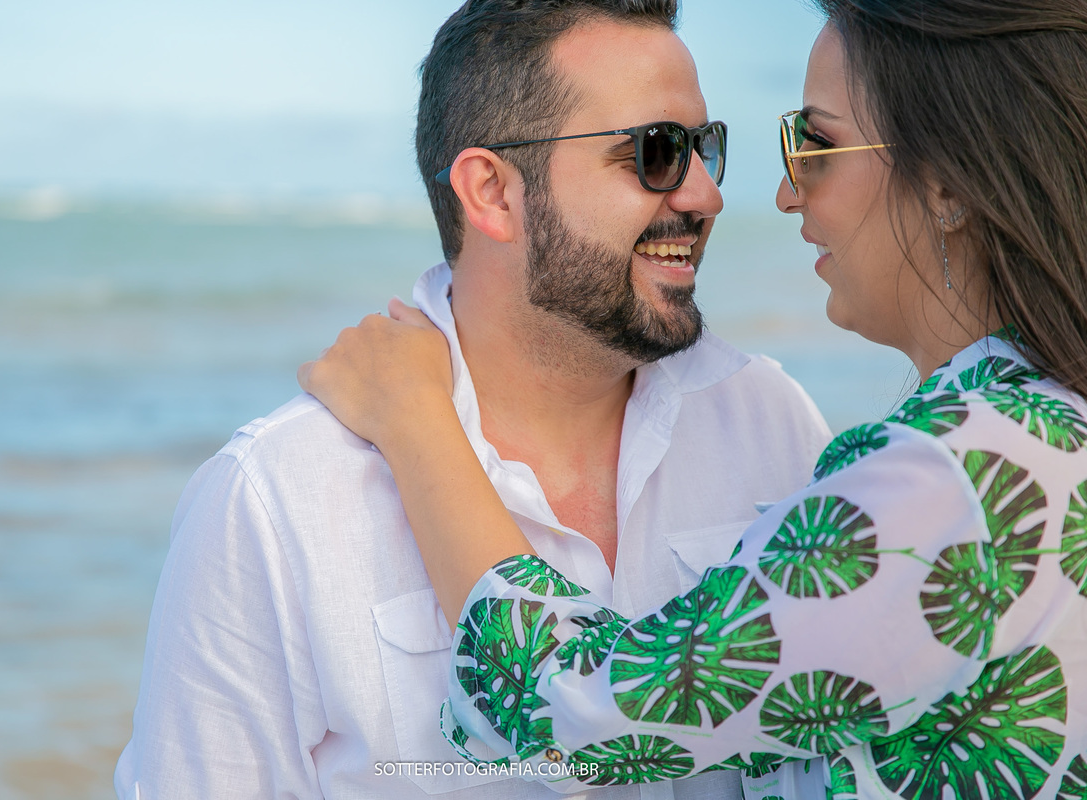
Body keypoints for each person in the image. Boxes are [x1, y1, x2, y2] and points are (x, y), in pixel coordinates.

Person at [297, 0, 1087, 798]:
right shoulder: (1042, 435)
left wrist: (416, 420)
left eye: (816, 144)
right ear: (491, 192)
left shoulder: (948, 479)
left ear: (947, 183)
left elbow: (570, 709)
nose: (778, 193)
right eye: (657, 152)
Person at [114, 1, 833, 797]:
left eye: (704, 148)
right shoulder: (276, 496)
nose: (705, 195)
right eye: (657, 152)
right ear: (492, 192)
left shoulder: (771, 424)